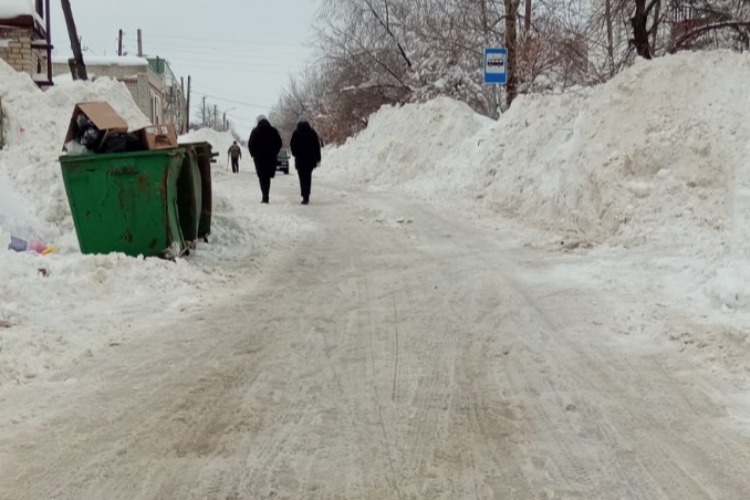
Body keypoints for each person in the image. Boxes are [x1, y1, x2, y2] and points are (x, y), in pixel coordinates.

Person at [248, 115, 282, 204]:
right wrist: (274, 152)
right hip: (271, 158)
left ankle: (265, 196)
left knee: (262, 177)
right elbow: (279, 143)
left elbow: (250, 144)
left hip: (259, 159)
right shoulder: (273, 131)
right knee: (267, 177)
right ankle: (266, 195)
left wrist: (254, 154)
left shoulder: (255, 131)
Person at [290, 116, 322, 205]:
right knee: (308, 177)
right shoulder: (312, 132)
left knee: (302, 178)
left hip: (300, 160)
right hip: (310, 160)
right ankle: (307, 195)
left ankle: (304, 195)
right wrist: (318, 158)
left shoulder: (296, 133)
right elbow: (317, 146)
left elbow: (292, 145)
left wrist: (295, 153)